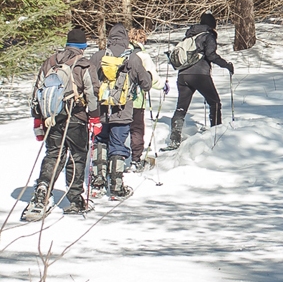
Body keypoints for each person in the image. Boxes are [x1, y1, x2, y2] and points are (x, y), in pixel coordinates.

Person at [23, 28, 102, 220]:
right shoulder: (84, 64)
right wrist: (95, 118)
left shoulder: (50, 62)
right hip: (76, 118)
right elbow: (92, 93)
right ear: (83, 47)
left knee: (53, 154)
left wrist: (38, 120)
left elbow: (36, 93)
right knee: (77, 155)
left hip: (51, 118)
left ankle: (42, 190)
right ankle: (75, 198)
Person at [89, 23, 152, 200]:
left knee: (100, 141)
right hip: (123, 111)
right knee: (118, 145)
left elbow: (89, 82)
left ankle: (97, 180)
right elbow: (145, 84)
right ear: (125, 39)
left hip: (101, 110)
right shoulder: (132, 58)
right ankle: (116, 185)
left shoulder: (98, 56)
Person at [166, 12, 234, 150]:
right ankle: (216, 134)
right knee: (214, 102)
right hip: (199, 75)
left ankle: (175, 138)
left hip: (183, 75)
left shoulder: (190, 35)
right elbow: (211, 55)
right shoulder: (208, 36)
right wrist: (226, 64)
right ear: (212, 25)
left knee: (181, 107)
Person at [127, 28, 163, 172]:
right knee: (137, 129)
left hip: (117, 99)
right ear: (142, 40)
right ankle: (136, 160)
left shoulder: (120, 53)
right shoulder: (143, 56)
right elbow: (151, 77)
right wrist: (162, 85)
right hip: (136, 99)